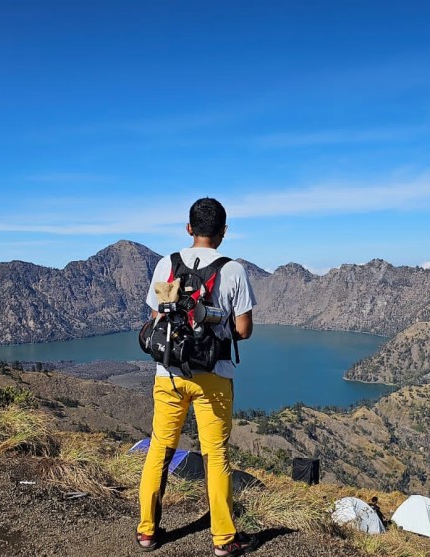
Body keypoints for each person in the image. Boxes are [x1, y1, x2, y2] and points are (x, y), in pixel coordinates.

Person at [135, 198, 257, 557]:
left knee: (160, 447)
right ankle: (223, 539)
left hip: (169, 372)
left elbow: (160, 315)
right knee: (215, 454)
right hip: (214, 377)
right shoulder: (233, 270)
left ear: (189, 228)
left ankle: (146, 532)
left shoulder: (167, 264)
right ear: (223, 232)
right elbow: (244, 330)